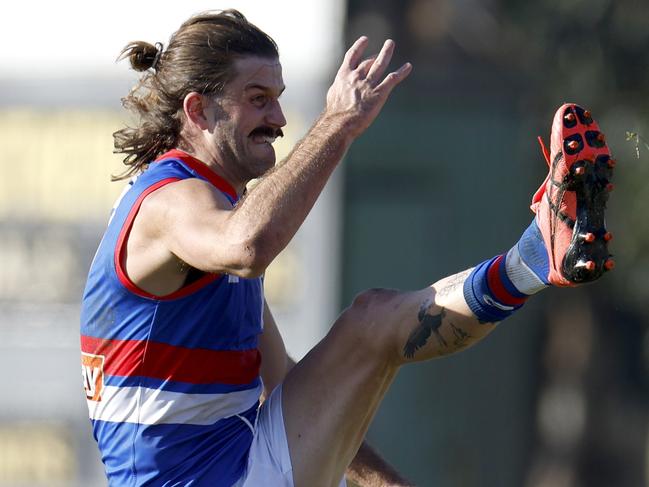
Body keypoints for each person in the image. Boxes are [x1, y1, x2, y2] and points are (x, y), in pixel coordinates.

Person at [79, 9, 615, 487]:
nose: (280, 119)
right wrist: (337, 123)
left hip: (241, 464)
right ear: (198, 111)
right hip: (218, 477)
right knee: (370, 323)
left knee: (373, 321)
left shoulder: (208, 220)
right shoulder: (170, 202)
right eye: (258, 100)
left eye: (280, 99)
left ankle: (534, 260)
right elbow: (248, 245)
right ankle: (534, 257)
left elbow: (285, 387)